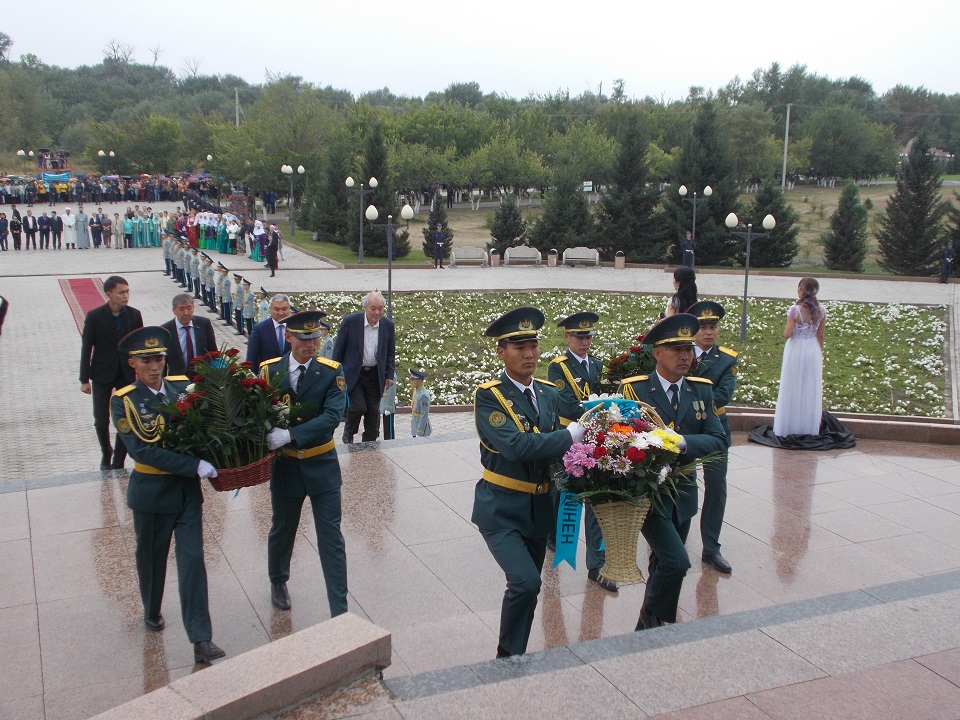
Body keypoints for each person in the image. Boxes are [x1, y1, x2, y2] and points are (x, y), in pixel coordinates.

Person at [472, 306, 584, 658]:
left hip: (540, 510)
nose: (530, 354)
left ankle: (515, 654)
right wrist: (570, 436)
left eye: (533, 345)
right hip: (501, 510)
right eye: (519, 347)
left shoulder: (550, 393)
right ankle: (506, 658)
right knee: (525, 582)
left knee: (528, 588)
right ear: (501, 351)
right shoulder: (490, 396)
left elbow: (555, 450)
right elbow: (517, 446)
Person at [110, 327, 225, 665]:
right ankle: (151, 607)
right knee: (151, 559)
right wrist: (194, 465)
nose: (155, 365)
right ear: (133, 362)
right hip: (152, 494)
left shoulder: (181, 389)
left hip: (186, 495)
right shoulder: (124, 401)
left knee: (192, 563)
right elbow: (142, 452)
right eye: (146, 359)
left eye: (159, 358)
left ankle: (201, 639)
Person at [618, 314, 726, 631]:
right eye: (676, 349)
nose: (685, 356)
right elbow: (621, 441)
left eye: (688, 350)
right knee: (677, 562)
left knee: (662, 562)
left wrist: (682, 442)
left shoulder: (701, 391)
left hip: (684, 494)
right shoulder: (634, 391)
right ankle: (652, 622)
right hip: (649, 496)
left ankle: (648, 626)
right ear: (657, 353)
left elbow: (719, 440)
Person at [260, 311, 349, 617]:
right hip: (286, 468)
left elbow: (331, 417)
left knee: (331, 537)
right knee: (283, 529)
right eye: (304, 338)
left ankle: (339, 607)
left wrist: (291, 434)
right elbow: (259, 413)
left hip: (321, 464)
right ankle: (278, 580)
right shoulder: (270, 372)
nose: (311, 345)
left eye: (316, 338)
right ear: (288, 337)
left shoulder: (331, 371)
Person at [546, 311, 615, 592]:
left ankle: (596, 565)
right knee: (565, 494)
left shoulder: (598, 365)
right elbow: (565, 403)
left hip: (595, 437)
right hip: (569, 438)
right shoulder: (558, 367)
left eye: (588, 336)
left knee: (596, 497)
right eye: (579, 336)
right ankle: (553, 535)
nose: (584, 342)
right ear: (567, 337)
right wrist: (599, 411)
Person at [688, 301, 737, 574]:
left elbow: (722, 396)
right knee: (680, 483)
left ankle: (711, 547)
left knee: (716, 488)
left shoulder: (726, 360)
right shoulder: (681, 353)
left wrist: (693, 406)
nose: (708, 332)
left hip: (714, 429)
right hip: (683, 430)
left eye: (713, 327)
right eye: (703, 327)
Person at [79, 276, 144, 472]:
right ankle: (106, 452)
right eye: (121, 292)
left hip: (125, 374)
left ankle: (119, 458)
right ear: (108, 294)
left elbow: (139, 346)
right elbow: (86, 347)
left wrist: (142, 373)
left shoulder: (134, 315)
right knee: (100, 419)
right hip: (101, 374)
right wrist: (84, 379)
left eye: (127, 291)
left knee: (126, 417)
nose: (125, 296)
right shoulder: (95, 316)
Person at [332, 291, 396, 443]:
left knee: (373, 411)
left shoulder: (387, 325)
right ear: (365, 307)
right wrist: (335, 374)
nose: (377, 312)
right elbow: (338, 351)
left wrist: (389, 374)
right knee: (359, 406)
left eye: (380, 308)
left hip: (375, 375)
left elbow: (390, 353)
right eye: (373, 308)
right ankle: (348, 433)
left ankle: (370, 442)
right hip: (355, 374)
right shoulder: (350, 322)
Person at [773, 277, 826, 437]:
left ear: (801, 291)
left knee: (792, 385)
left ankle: (788, 427)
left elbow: (787, 334)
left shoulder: (795, 310)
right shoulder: (821, 310)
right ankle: (808, 427)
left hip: (796, 347)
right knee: (809, 387)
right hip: (812, 348)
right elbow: (821, 335)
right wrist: (819, 353)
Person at [161, 294, 218, 376]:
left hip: (203, 378)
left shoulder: (203, 324)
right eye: (181, 309)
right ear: (174, 310)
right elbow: (163, 361)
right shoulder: (166, 330)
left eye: (189, 308)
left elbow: (213, 352)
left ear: (193, 308)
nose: (186, 313)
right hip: (178, 380)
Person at [246, 293, 293, 372]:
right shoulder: (259, 329)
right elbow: (251, 359)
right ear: (270, 309)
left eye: (284, 309)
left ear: (289, 308)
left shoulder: (296, 328)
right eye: (276, 309)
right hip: (268, 379)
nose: (281, 313)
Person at [409, 369, 432, 437]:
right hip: (415, 424)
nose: (411, 381)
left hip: (421, 427)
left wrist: (420, 432)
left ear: (419, 381)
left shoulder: (423, 395)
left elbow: (424, 414)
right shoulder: (416, 391)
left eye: (413, 379)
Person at [380, 372, 398, 440]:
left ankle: (390, 442)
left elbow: (391, 392)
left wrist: (388, 407)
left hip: (387, 404)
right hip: (382, 402)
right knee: (385, 427)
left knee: (389, 429)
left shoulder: (391, 375)